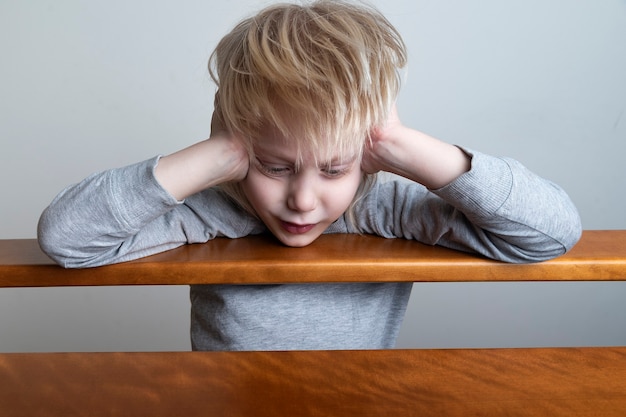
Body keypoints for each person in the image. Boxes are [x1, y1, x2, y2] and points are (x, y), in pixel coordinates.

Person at [37, 0, 582, 351]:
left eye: (334, 168)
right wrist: (218, 151)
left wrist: (400, 145)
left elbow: (550, 233)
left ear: (368, 156)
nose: (302, 199)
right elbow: (66, 237)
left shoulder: (382, 209)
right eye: (275, 167)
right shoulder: (214, 212)